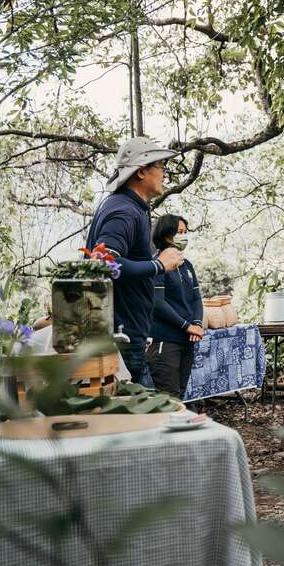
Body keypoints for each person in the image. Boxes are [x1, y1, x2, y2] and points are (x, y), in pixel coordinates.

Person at [86, 138, 184, 384]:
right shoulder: (123, 211)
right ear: (141, 171)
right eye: (161, 166)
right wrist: (158, 265)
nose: (164, 173)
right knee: (129, 412)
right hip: (121, 336)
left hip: (128, 332)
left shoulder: (131, 207)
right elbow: (104, 264)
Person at [148, 215, 204, 398]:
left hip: (186, 341)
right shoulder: (156, 265)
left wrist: (197, 324)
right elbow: (158, 303)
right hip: (165, 342)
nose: (184, 236)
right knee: (169, 399)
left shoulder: (187, 265)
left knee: (179, 395)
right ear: (167, 235)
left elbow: (196, 299)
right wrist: (188, 327)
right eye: (180, 232)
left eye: (186, 232)